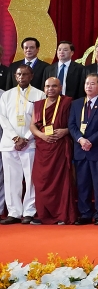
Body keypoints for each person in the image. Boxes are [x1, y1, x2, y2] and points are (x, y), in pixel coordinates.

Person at [68, 73, 98, 225]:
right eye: (87, 83)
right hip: (81, 150)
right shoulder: (76, 104)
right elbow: (72, 125)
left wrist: (90, 141)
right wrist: (81, 140)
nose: (88, 86)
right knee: (83, 184)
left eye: (92, 84)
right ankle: (85, 213)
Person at [0, 66, 45, 224]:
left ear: (31, 76)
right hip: (8, 143)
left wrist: (25, 138)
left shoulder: (39, 94)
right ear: (14, 76)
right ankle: (13, 212)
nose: (21, 77)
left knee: (31, 178)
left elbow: (39, 120)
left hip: (30, 143)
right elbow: (2, 119)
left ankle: (29, 211)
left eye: (25, 74)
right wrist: (15, 138)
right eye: (19, 74)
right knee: (11, 179)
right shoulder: (6, 95)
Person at [28, 77, 75, 225]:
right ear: (44, 88)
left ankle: (62, 215)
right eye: (48, 86)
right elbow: (32, 126)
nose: (51, 89)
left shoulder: (68, 103)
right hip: (43, 148)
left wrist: (65, 131)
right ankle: (43, 214)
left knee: (61, 181)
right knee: (41, 179)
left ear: (60, 88)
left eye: (54, 86)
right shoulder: (39, 105)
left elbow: (74, 124)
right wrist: (41, 135)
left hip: (60, 147)